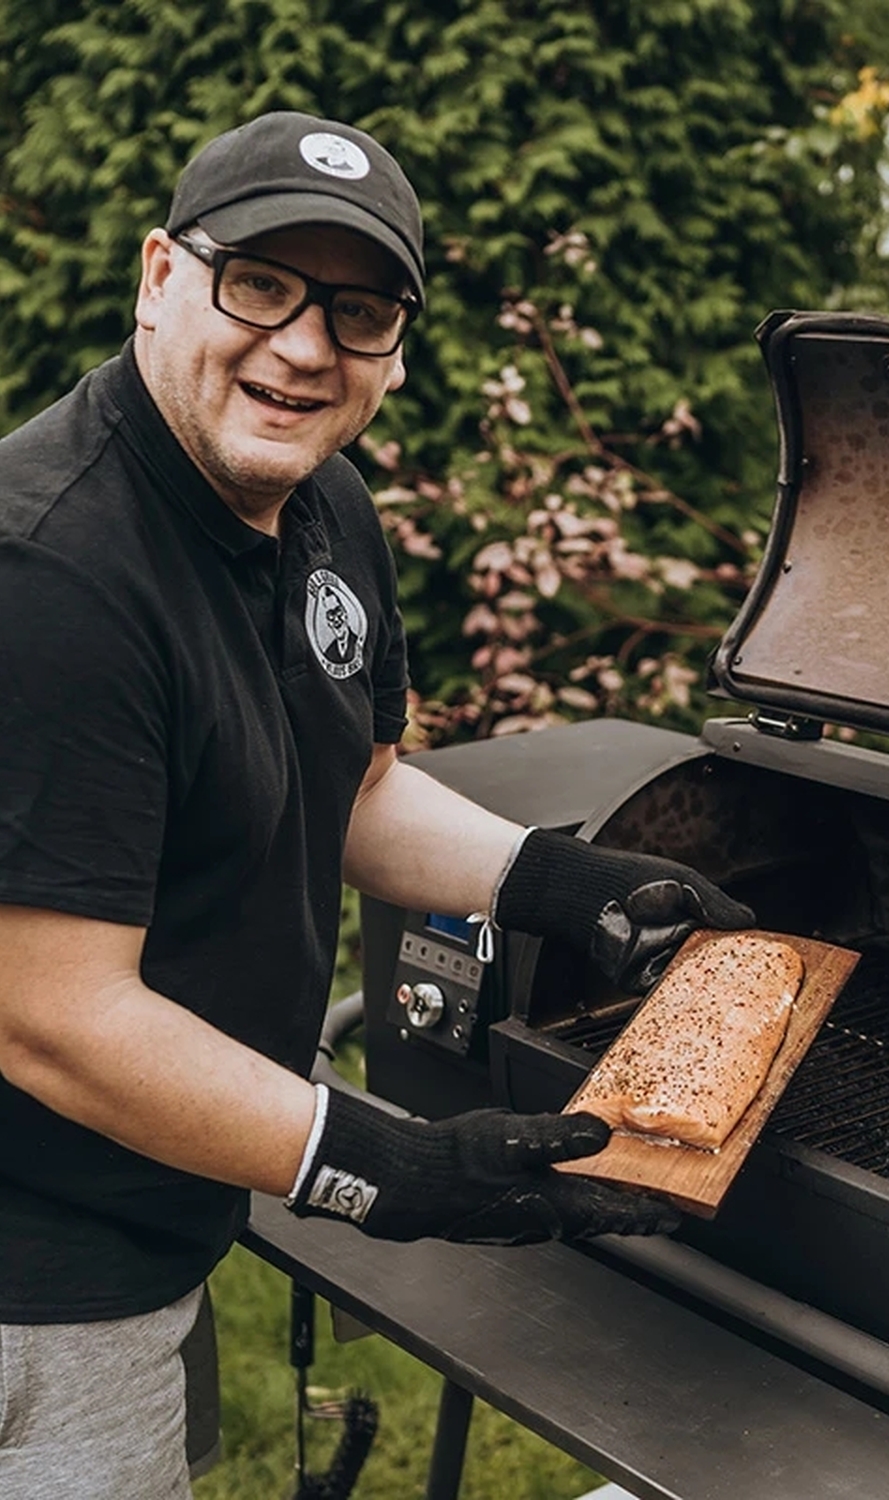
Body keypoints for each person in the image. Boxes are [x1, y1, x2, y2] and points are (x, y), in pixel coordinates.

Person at [0, 111, 753, 1498]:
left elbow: (346, 785)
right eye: (259, 284)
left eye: (355, 311)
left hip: (156, 1193)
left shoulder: (324, 506)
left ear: (395, 351)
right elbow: (53, 1019)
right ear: (161, 275)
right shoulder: (50, 576)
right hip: (35, 1269)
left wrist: (565, 885)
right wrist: (384, 1170)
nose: (302, 347)